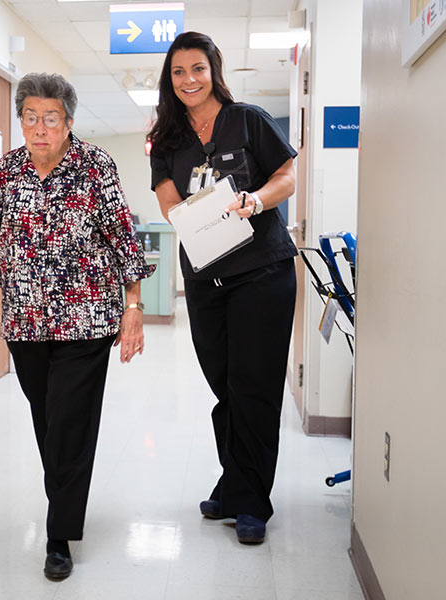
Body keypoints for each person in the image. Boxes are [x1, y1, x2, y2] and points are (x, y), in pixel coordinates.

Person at [0, 72, 155, 580]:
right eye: (30, 117)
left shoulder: (95, 166)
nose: (39, 127)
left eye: (50, 118)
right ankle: (64, 499)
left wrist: (133, 308)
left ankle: (59, 535)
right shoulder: (6, 172)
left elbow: (123, 239)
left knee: (69, 422)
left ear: (69, 122)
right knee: (48, 420)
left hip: (86, 319)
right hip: (25, 322)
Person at [148, 31, 298, 544]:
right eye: (178, 72)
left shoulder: (248, 119)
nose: (189, 79)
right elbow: (169, 202)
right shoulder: (166, 139)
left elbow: (287, 176)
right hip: (207, 276)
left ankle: (252, 500)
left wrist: (254, 202)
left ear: (214, 69)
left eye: (197, 68)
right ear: (169, 80)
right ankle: (236, 481)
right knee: (225, 386)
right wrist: (197, 213)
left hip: (262, 272)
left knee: (254, 385)